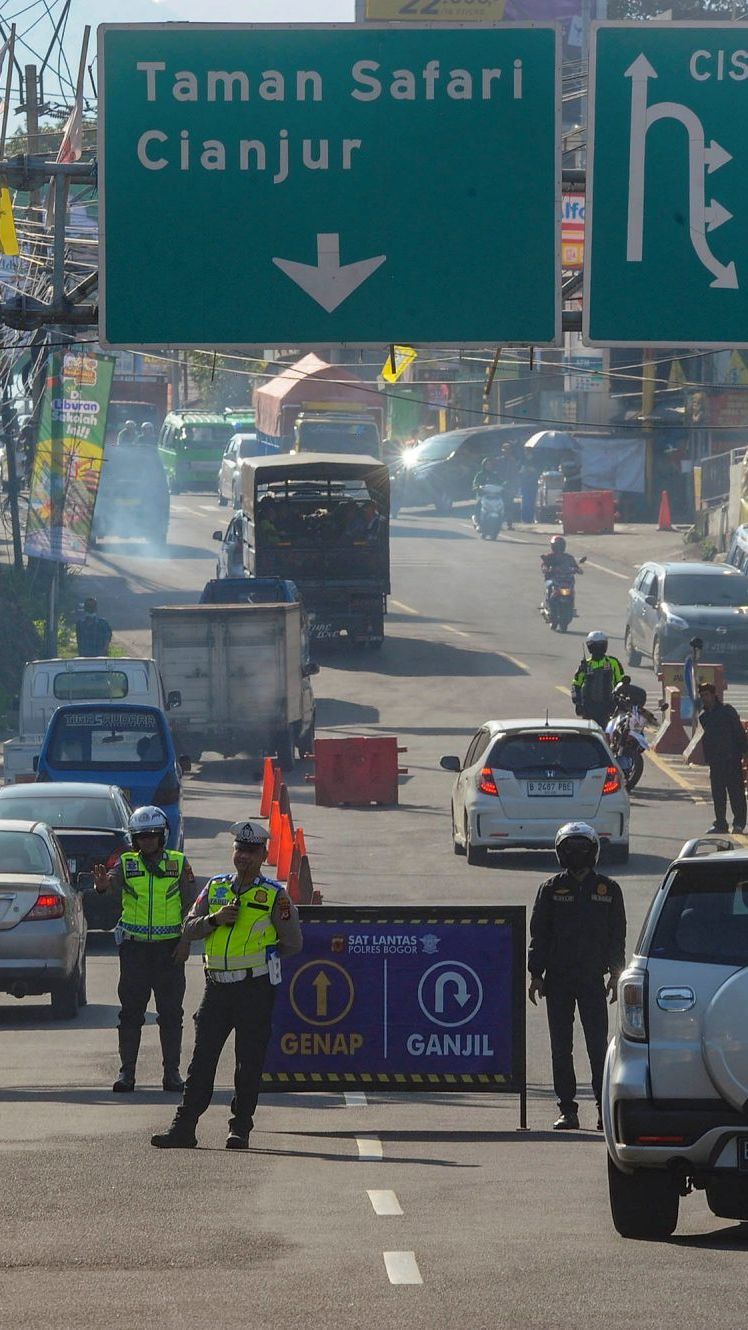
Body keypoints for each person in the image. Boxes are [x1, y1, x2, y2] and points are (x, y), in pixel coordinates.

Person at [151, 819, 303, 1151]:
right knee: (202, 1060)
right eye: (239, 850)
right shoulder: (216, 887)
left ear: (262, 854)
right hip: (216, 989)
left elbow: (293, 943)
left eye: (250, 851)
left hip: (254, 990)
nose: (243, 857)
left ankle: (240, 1129)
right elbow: (188, 927)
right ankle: (184, 1128)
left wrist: (262, 957)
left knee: (248, 1062)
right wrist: (215, 920)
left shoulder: (274, 896)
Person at [528, 822, 626, 1131]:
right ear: (560, 853)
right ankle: (567, 1110)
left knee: (598, 1047)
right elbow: (538, 935)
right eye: (570, 848)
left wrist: (615, 973)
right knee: (561, 1047)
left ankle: (602, 1110)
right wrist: (535, 974)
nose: (577, 853)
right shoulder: (550, 888)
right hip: (557, 981)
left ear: (594, 851)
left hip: (592, 981)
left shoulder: (609, 890)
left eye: (583, 847)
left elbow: (617, 936)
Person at [92, 806, 197, 1093]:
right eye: (141, 836)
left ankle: (172, 1074)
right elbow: (109, 884)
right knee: (130, 1014)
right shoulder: (126, 863)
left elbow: (192, 906)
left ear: (162, 835)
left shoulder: (178, 863)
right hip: (135, 951)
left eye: (152, 835)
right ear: (133, 838)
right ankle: (127, 1073)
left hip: (170, 952)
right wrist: (102, 886)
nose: (147, 841)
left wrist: (186, 941)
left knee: (171, 1013)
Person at [698, 682, 748, 834]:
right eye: (702, 696)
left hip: (731, 758)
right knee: (718, 794)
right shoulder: (704, 717)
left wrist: (744, 751)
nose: (704, 698)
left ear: (713, 695)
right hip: (716, 761)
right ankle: (721, 823)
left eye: (706, 695)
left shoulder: (727, 711)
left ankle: (739, 823)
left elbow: (739, 732)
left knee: (736, 793)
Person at [572, 630, 624, 729]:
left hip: (608, 707)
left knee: (611, 734)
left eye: (601, 645)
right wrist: (578, 703)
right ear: (590, 647)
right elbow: (575, 685)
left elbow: (621, 683)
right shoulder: (585, 665)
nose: (598, 649)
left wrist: (620, 703)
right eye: (595, 646)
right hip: (588, 708)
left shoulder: (613, 662)